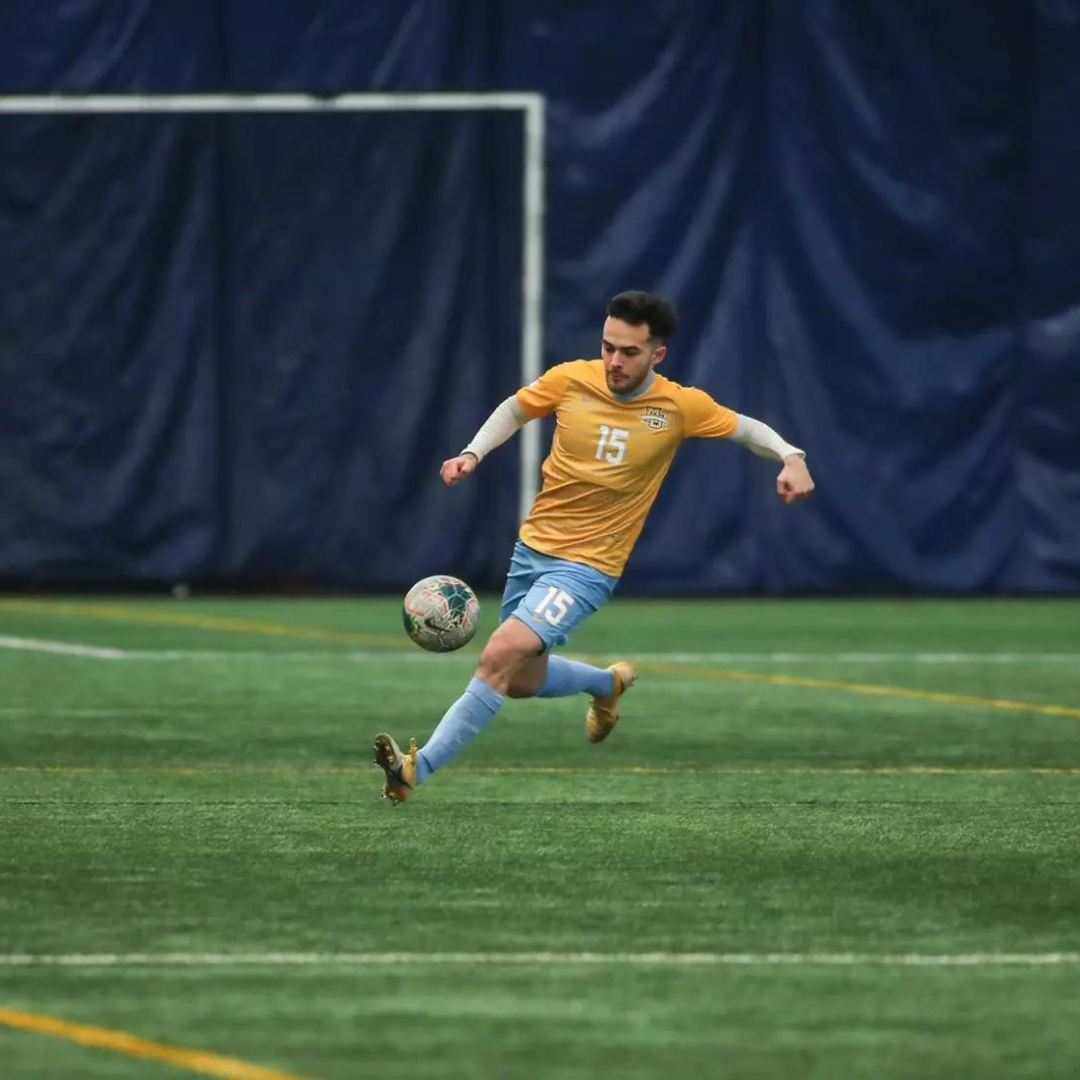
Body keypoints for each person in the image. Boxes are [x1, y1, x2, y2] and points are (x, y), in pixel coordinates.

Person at [374, 291, 814, 803]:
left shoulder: (678, 406)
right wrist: (472, 453)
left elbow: (748, 430)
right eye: (608, 347)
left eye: (629, 352)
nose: (614, 361)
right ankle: (607, 685)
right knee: (517, 679)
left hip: (589, 566)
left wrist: (791, 455)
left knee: (500, 652)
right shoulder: (570, 379)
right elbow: (515, 410)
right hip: (532, 551)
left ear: (657, 355)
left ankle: (416, 770)